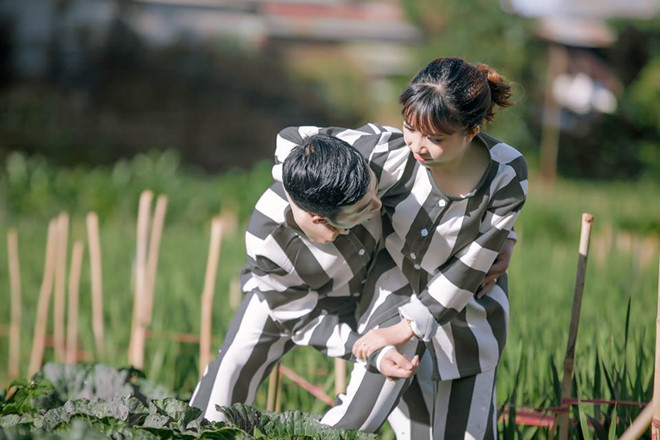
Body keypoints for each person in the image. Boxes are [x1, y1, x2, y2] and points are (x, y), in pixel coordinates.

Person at [274, 57, 528, 439]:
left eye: (436, 139)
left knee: (468, 432)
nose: (418, 146)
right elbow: (293, 142)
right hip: (392, 292)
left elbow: (471, 268)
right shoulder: (385, 148)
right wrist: (304, 206)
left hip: (470, 310)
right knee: (356, 420)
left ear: (472, 131)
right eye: (410, 128)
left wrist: (505, 236)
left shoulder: (506, 174)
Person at [189, 133, 419, 423]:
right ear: (318, 219)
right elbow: (298, 317)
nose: (378, 206)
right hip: (294, 299)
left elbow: (454, 145)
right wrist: (359, 347)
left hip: (382, 280)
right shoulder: (266, 244)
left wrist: (492, 239)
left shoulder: (377, 153)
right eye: (362, 209)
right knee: (231, 368)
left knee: (384, 379)